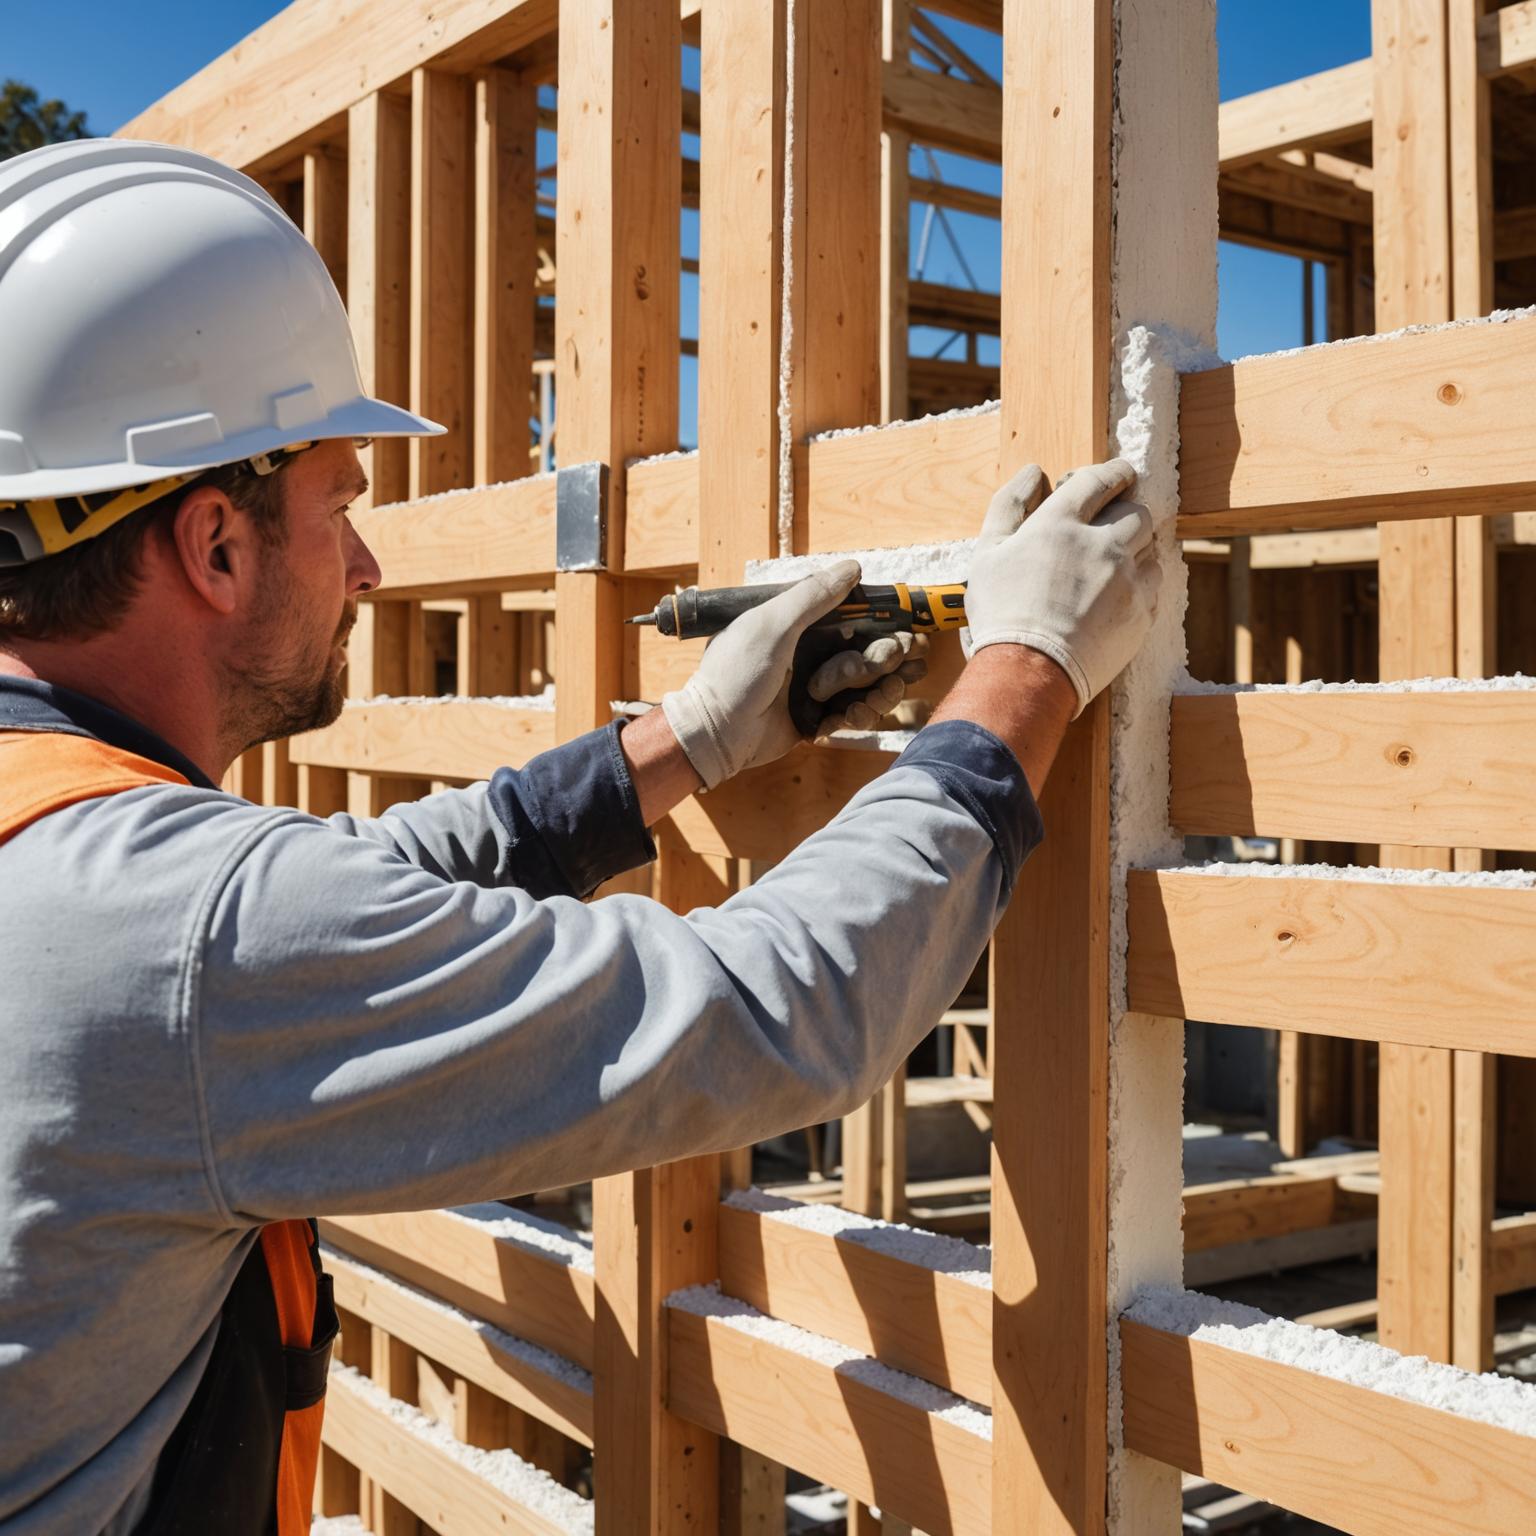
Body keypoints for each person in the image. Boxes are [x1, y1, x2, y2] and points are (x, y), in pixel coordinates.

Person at [0, 141, 1159, 1535]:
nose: (366, 567)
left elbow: (340, 899)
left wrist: (688, 742)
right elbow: (771, 1007)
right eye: (341, 506)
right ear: (216, 547)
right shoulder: (185, 940)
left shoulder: (68, 855)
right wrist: (1026, 669)